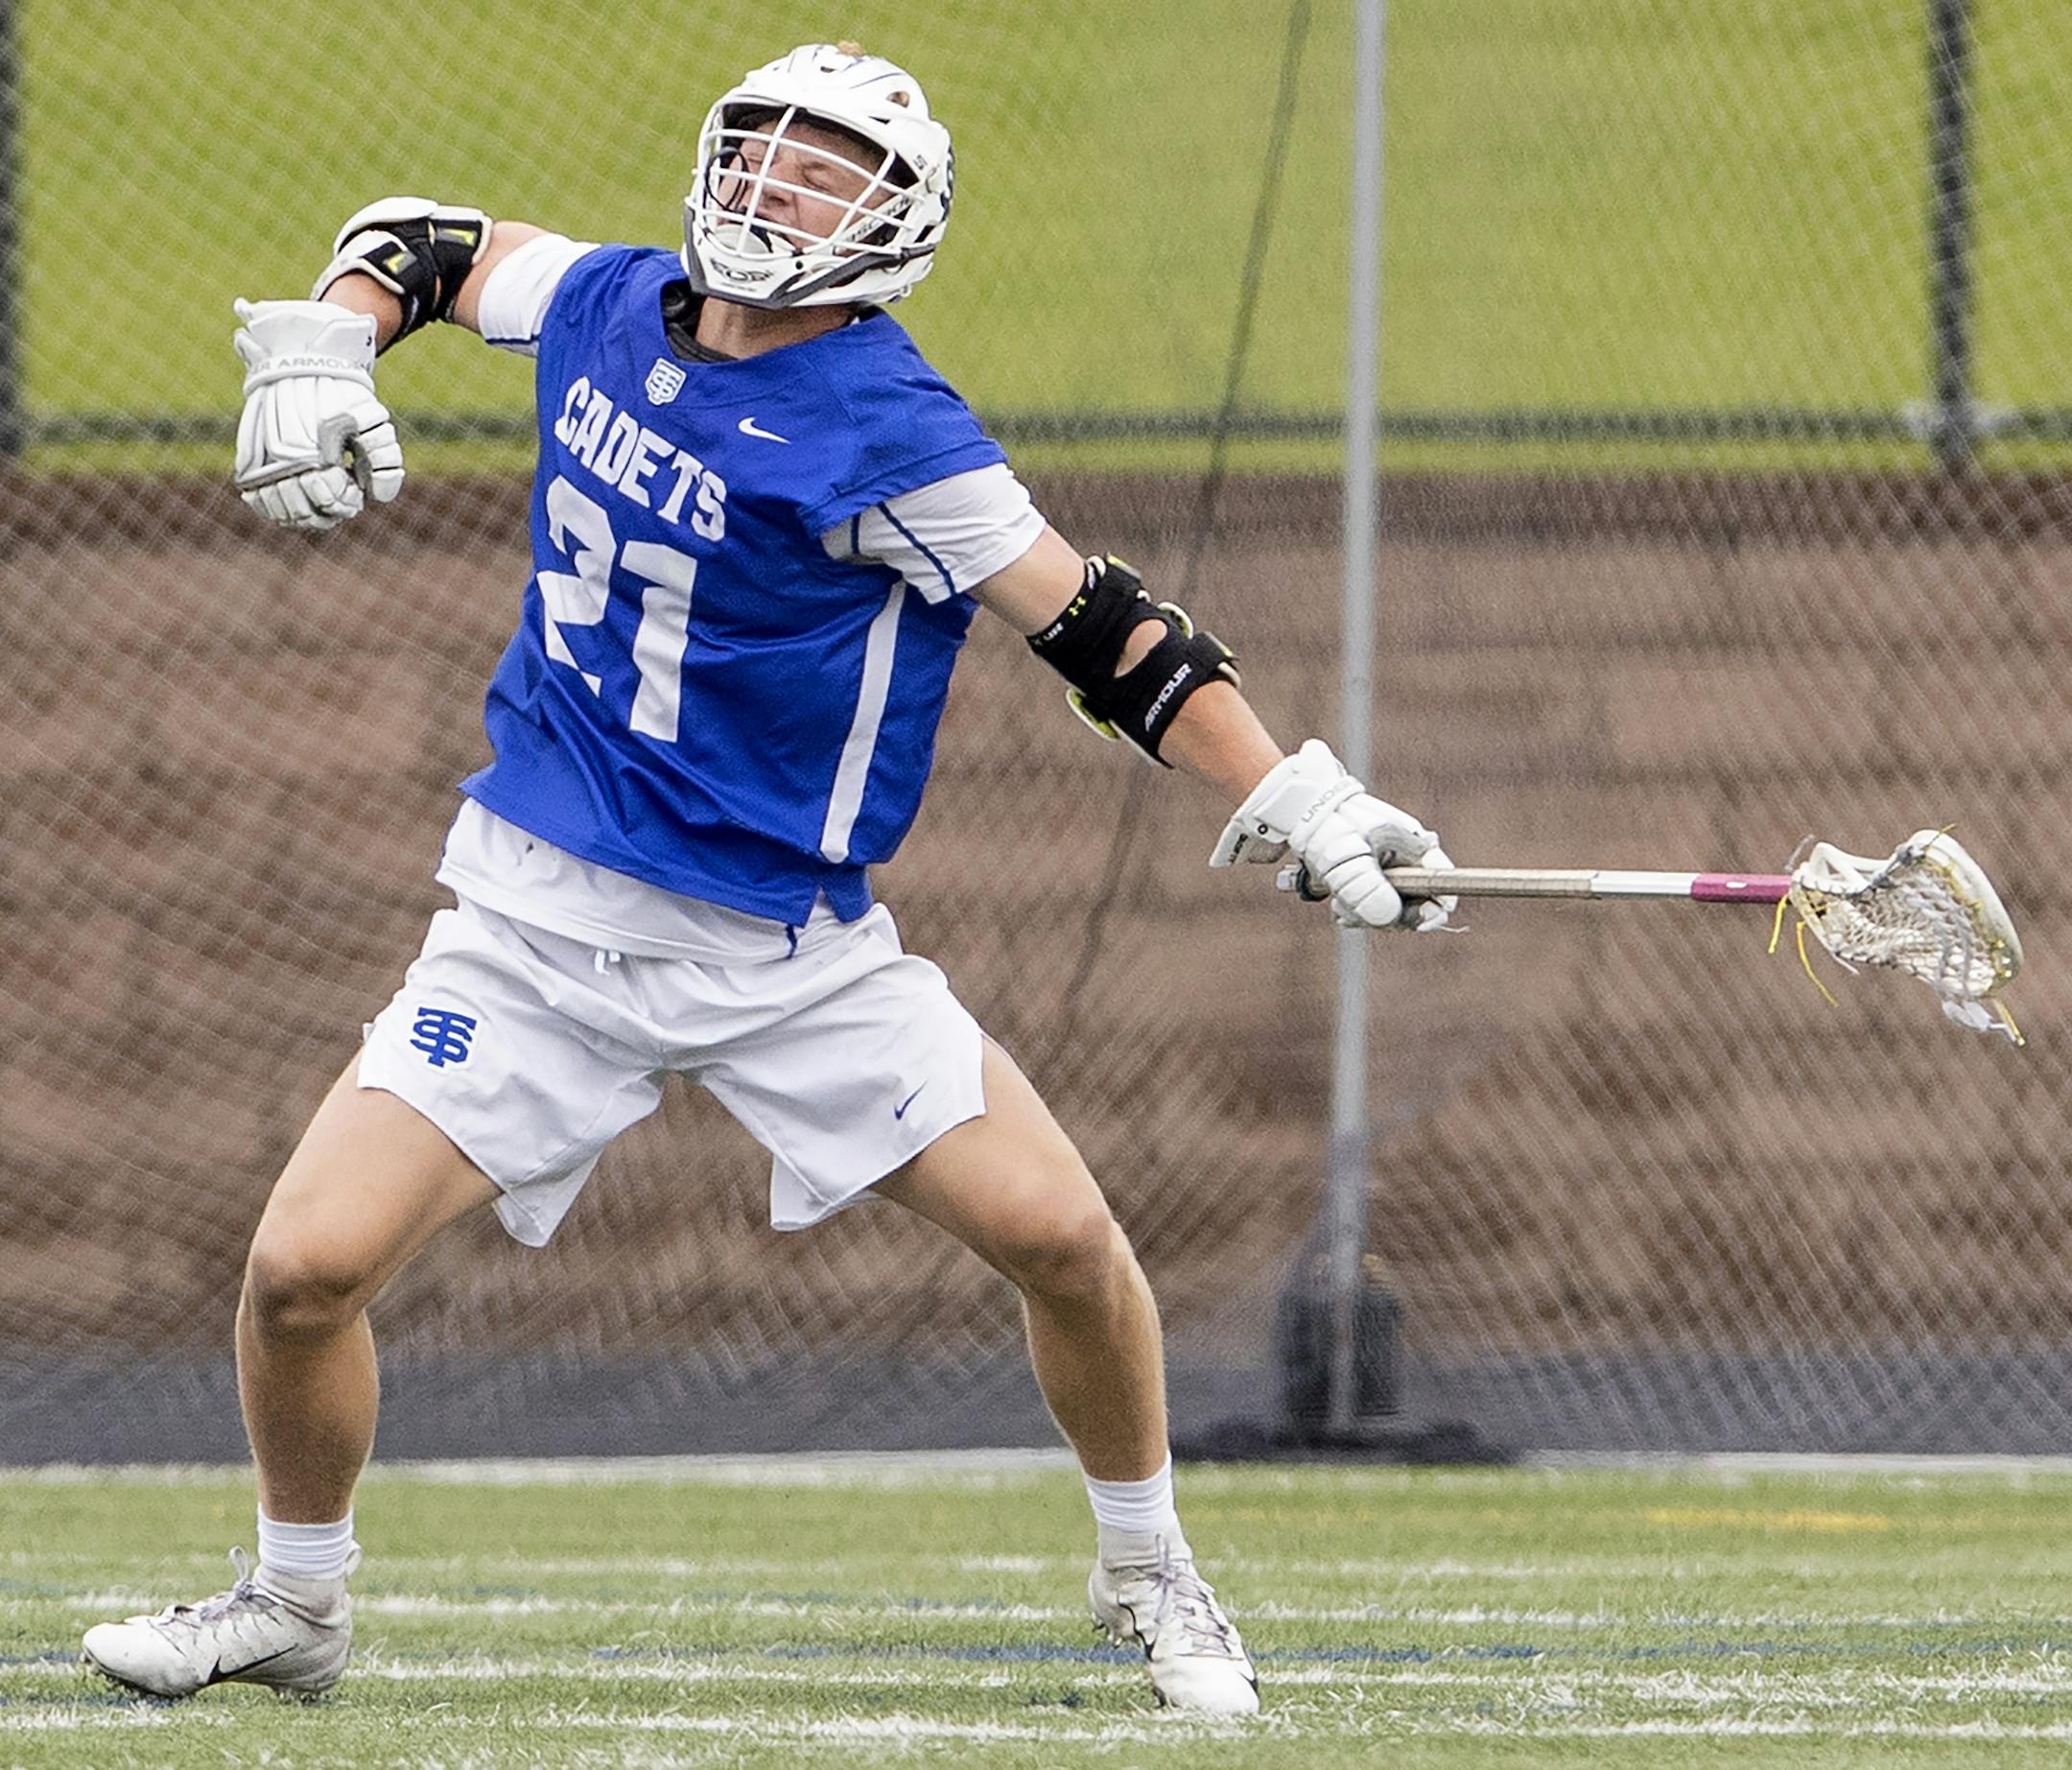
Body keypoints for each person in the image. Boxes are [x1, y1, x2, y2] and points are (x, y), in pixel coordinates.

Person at [81, 43, 1452, 1716]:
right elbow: (430, 242)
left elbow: (1106, 630)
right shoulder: (608, 305)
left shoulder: (891, 427)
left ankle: (1152, 1569)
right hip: (535, 923)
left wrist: (1303, 793)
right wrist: (321, 342)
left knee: (1070, 1246)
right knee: (302, 1270)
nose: (776, 186)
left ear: (893, 223)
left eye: (827, 170)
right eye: (764, 149)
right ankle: (295, 1600)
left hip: (787, 945)